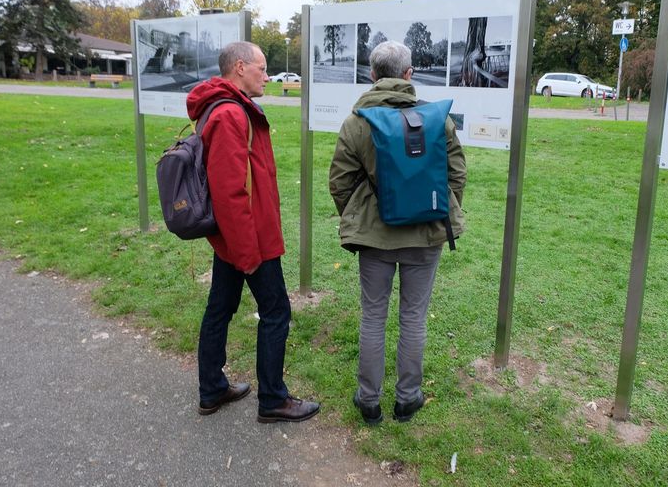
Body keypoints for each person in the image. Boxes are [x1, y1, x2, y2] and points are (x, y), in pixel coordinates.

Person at [328, 40, 466, 425]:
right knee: (414, 317)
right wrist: (438, 207)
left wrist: (360, 217)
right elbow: (456, 174)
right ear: (409, 75)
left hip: (376, 239)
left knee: (373, 316)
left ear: (372, 75)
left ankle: (368, 400)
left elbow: (339, 182)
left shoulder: (357, 122)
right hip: (426, 234)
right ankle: (408, 399)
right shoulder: (438, 119)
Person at [186, 41, 319, 423]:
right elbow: (230, 193)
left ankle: (212, 389)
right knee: (276, 311)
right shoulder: (230, 114)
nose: (267, 76)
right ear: (240, 67)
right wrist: (247, 253)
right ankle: (273, 399)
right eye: (262, 69)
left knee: (220, 308)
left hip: (234, 236)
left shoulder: (224, 106)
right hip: (249, 237)